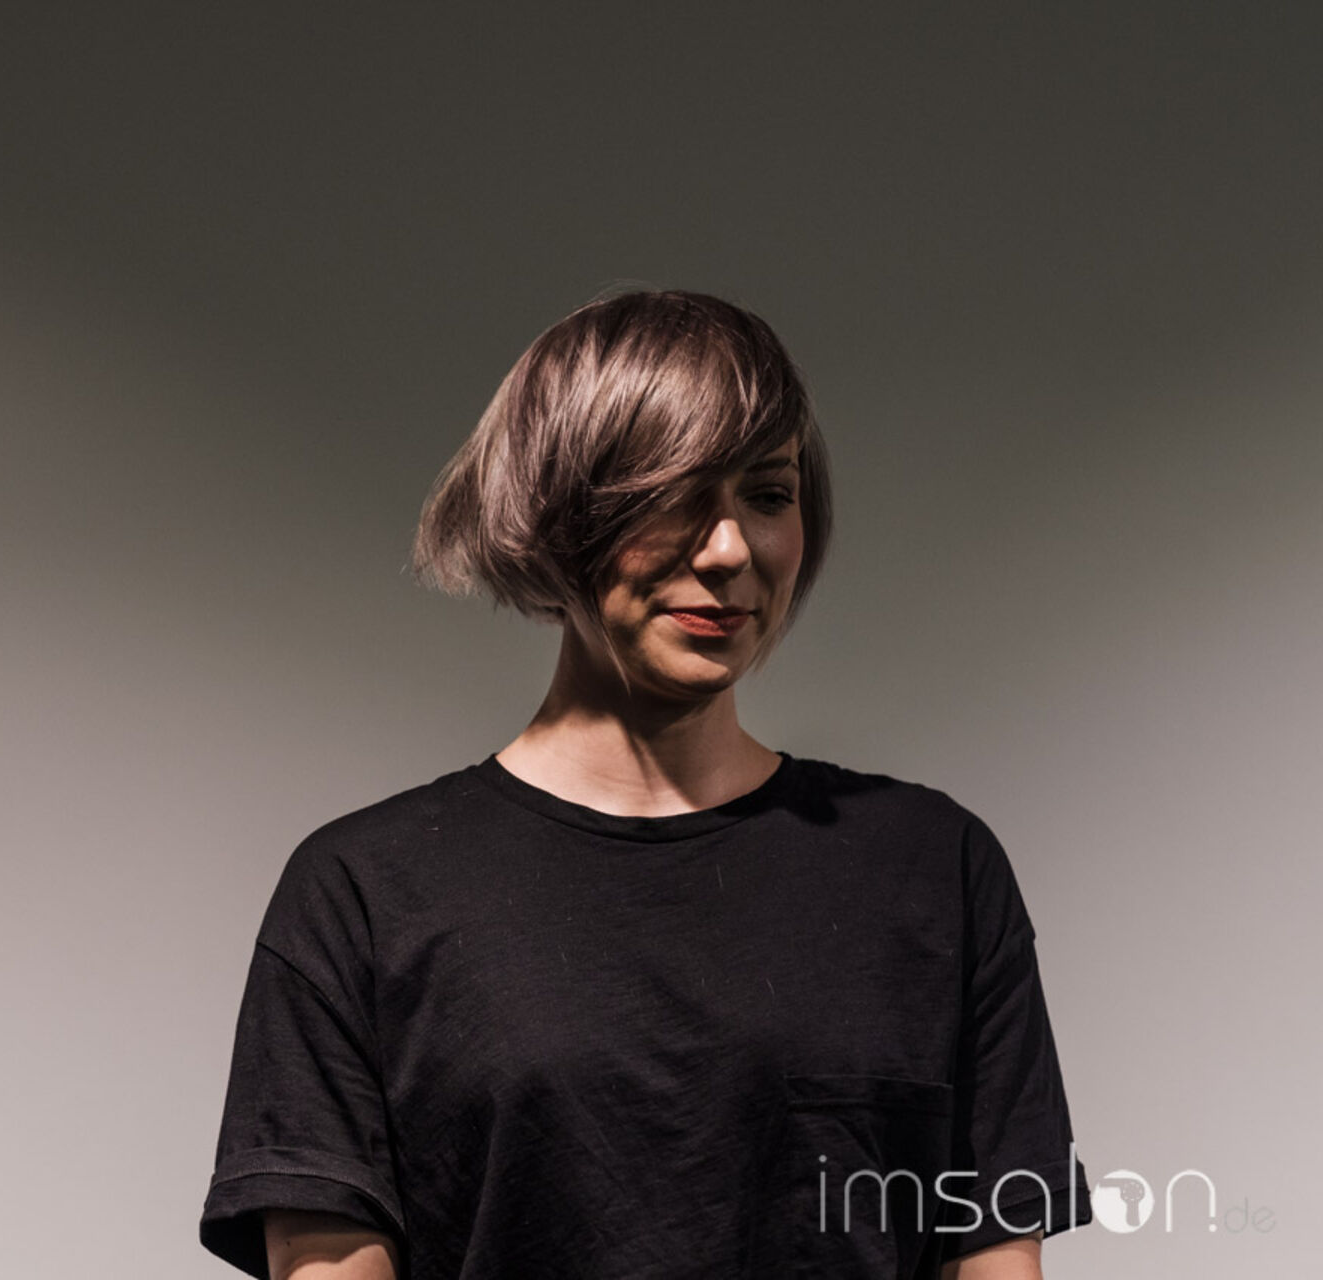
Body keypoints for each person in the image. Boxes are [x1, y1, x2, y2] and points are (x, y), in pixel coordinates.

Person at [197, 289, 1092, 1279]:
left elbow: (994, 1257)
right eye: (676, 494)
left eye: (767, 494)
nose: (729, 550)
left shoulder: (933, 870)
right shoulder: (364, 896)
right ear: (553, 510)